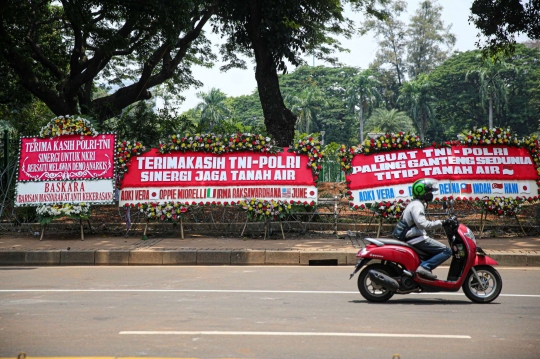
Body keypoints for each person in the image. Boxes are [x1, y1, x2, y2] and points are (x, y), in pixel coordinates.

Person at [400, 178, 452, 280]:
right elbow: (422, 224)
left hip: (414, 236)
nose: (431, 194)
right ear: (422, 192)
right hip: (415, 238)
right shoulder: (417, 205)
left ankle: (422, 269)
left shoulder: (415, 204)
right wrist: (442, 222)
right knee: (447, 251)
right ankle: (424, 267)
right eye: (429, 191)